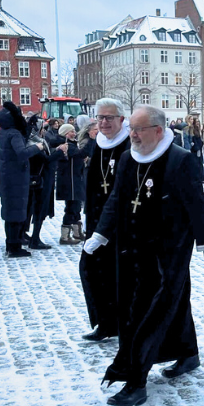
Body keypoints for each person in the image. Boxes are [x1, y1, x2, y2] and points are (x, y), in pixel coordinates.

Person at [84, 105, 204, 406]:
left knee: (148, 312)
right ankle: (188, 352)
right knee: (174, 302)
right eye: (131, 128)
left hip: (168, 251)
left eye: (138, 129)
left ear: (158, 131)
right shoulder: (128, 158)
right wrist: (100, 234)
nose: (132, 135)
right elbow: (116, 198)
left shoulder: (180, 160)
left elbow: (197, 204)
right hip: (132, 247)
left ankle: (136, 380)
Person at [79, 99, 130, 342]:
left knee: (119, 274)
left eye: (109, 117)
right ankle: (104, 321)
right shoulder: (97, 143)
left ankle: (122, 323)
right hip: (96, 218)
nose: (104, 122)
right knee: (91, 269)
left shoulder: (129, 145)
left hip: (121, 222)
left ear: (121, 119)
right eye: (100, 117)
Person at [0, 102, 45, 258]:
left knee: (10, 212)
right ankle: (14, 247)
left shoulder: (4, 132)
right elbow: (22, 153)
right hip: (16, 177)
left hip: (8, 175)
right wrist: (37, 147)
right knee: (16, 212)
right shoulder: (13, 134)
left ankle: (11, 245)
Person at [26, 117, 68, 250]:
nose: (44, 131)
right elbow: (46, 160)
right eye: (42, 129)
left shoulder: (39, 141)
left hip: (43, 180)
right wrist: (59, 152)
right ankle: (34, 239)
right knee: (38, 209)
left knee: (40, 209)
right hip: (39, 181)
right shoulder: (33, 144)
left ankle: (34, 237)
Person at [55, 122, 88, 245]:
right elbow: (78, 154)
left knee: (76, 206)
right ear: (65, 134)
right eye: (71, 131)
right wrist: (90, 141)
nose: (74, 133)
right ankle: (65, 236)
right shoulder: (67, 145)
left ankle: (77, 232)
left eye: (74, 131)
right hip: (70, 182)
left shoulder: (73, 144)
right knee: (71, 208)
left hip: (75, 180)